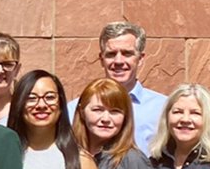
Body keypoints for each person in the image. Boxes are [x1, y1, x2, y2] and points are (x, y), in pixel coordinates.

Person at [68, 22, 167, 155]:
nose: (118, 61)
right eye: (111, 54)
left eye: (127, 53)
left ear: (140, 59)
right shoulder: (73, 110)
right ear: (101, 59)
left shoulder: (163, 108)